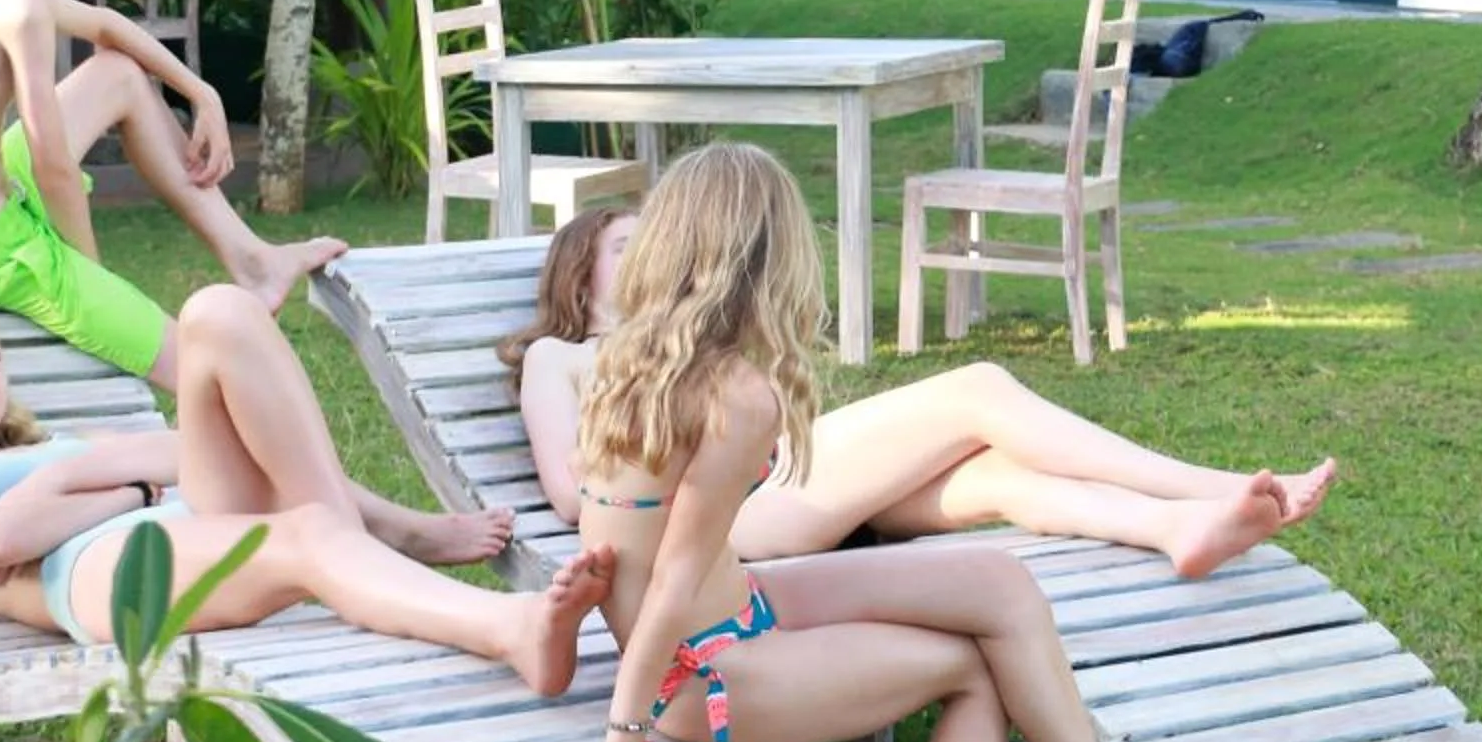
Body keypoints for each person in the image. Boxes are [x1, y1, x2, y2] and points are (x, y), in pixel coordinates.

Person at [574, 145, 1245, 742]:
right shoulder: (735, 394)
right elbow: (668, 580)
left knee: (999, 584)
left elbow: (651, 560)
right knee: (974, 673)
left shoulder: (637, 360)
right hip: (702, 672)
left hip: (732, 610)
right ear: (770, 258)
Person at [0, 0, 509, 567]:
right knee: (218, 373)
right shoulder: (16, 11)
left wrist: (197, 90)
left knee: (116, 77)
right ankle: (379, 523)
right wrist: (85, 271)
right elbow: (51, 166)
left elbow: (110, 30)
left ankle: (249, 258)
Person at [508, 205, 1334, 579]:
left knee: (992, 472)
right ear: (581, 282)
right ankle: (1216, 483)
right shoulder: (561, 355)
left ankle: (1177, 528)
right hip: (731, 514)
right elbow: (565, 490)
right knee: (978, 388)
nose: (650, 253)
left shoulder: (683, 343)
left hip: (787, 487)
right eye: (625, 246)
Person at [0, 288, 613, 685]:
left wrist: (77, 476)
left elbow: (187, 450)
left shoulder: (62, 447)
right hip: (97, 575)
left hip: (172, 521)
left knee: (220, 312)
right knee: (308, 536)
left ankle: (389, 531)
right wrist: (131, 490)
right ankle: (507, 625)